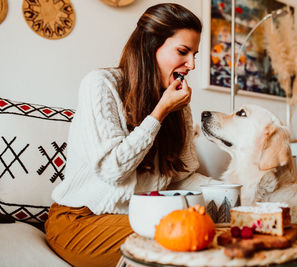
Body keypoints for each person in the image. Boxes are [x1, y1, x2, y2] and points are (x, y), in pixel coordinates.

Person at [45, 3, 218, 267]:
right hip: (79, 220)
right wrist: (159, 113)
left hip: (140, 217)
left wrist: (236, 193)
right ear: (151, 46)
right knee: (173, 241)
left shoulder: (177, 106)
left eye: (194, 54)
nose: (192, 64)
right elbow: (113, 169)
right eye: (183, 52)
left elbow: (182, 178)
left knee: (215, 233)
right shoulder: (101, 85)